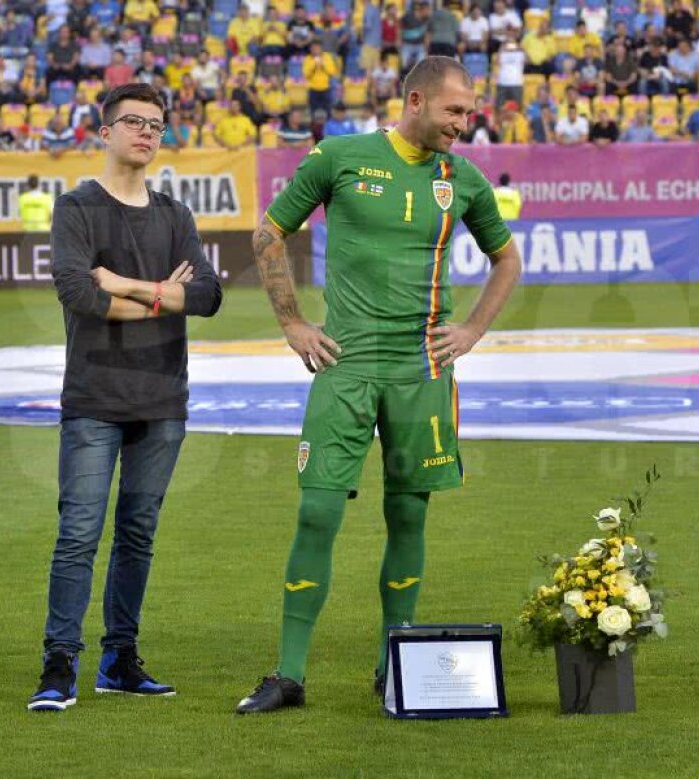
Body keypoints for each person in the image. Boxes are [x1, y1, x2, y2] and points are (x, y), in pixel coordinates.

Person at [235, 56, 521, 714]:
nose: (464, 123)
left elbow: (506, 257)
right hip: (346, 364)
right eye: (454, 111)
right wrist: (291, 322)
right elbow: (268, 232)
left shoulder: (462, 178)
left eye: (469, 113)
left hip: (422, 370)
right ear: (415, 100)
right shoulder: (338, 157)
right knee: (318, 510)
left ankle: (397, 661)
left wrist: (473, 329)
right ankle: (288, 673)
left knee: (408, 514)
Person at [30, 82, 223, 712]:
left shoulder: (176, 215)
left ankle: (119, 659)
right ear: (105, 131)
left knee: (137, 535)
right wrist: (159, 298)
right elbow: (79, 295)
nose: (146, 132)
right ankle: (60, 664)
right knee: (79, 535)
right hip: (93, 398)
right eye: (134, 121)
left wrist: (125, 284)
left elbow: (208, 297)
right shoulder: (76, 208)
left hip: (163, 399)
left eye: (157, 124)